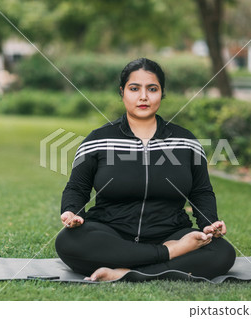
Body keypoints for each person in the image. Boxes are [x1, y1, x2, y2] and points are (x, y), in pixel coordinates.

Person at [55, 58, 236, 282]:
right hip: (111, 232)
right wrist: (72, 212)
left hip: (170, 231)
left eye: (152, 89)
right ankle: (169, 256)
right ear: (122, 92)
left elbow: (201, 192)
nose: (143, 97)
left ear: (162, 93)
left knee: (222, 252)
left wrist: (209, 223)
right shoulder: (98, 140)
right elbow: (77, 187)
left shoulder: (186, 142)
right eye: (134, 89)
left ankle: (121, 271)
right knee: (67, 241)